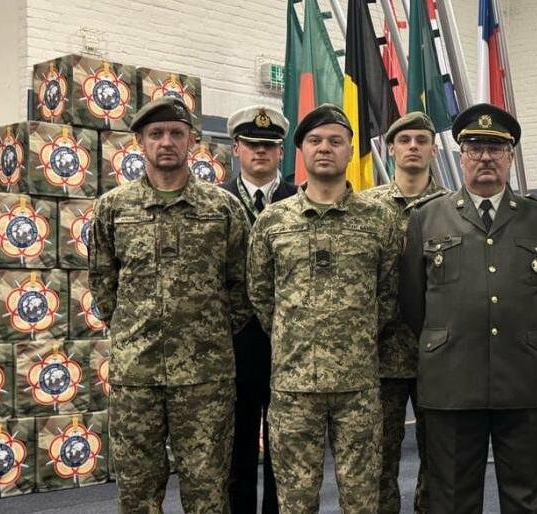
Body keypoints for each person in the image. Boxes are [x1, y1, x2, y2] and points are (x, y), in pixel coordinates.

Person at [88, 96, 251, 513]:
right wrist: (132, 331)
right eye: (156, 134)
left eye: (176, 133)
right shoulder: (113, 208)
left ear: (192, 141)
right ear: (139, 142)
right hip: (136, 375)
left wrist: (210, 333)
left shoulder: (222, 208)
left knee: (208, 491)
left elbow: (242, 285)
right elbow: (103, 282)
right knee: (137, 492)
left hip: (205, 378)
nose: (166, 142)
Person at [398, 103, 537, 513]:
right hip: (451, 379)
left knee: (527, 498)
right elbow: (413, 301)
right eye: (475, 148)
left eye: (496, 148)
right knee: (452, 498)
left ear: (510, 156)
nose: (485, 157)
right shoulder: (427, 218)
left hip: (520, 377)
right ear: (461, 156)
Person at [247, 104, 403, 513]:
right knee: (296, 502)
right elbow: (261, 295)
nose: (324, 148)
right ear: (300, 150)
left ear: (350, 149)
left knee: (362, 500)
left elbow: (388, 294)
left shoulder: (379, 219)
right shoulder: (273, 222)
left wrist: (355, 335)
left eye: (335, 141)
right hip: (294, 387)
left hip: (358, 386)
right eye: (314, 140)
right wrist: (295, 335)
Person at [360, 111, 448, 514]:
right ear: (391, 149)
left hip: (438, 354)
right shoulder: (365, 208)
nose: (413, 146)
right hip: (380, 355)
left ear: (433, 150)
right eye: (405, 140)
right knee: (378, 458)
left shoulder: (453, 207)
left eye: (422, 140)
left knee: (439, 458)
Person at [218, 104, 296, 514]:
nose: (260, 151)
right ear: (236, 148)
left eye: (268, 145)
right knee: (237, 451)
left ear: (281, 151)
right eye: (251, 144)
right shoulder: (214, 201)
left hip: (288, 344)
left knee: (285, 453)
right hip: (232, 345)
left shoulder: (299, 200)